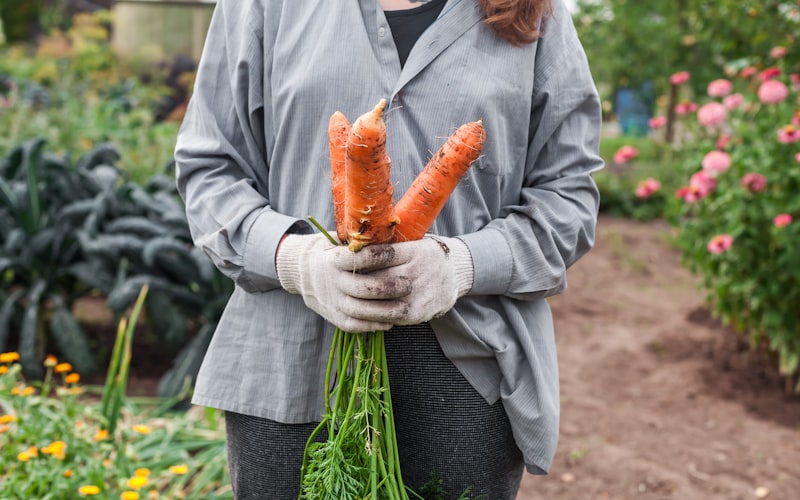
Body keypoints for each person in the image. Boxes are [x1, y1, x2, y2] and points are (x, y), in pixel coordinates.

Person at [174, 0, 603, 498]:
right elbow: (211, 170)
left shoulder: (538, 15)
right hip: (287, 366)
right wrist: (294, 260)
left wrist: (461, 266)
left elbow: (568, 199)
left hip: (465, 372)